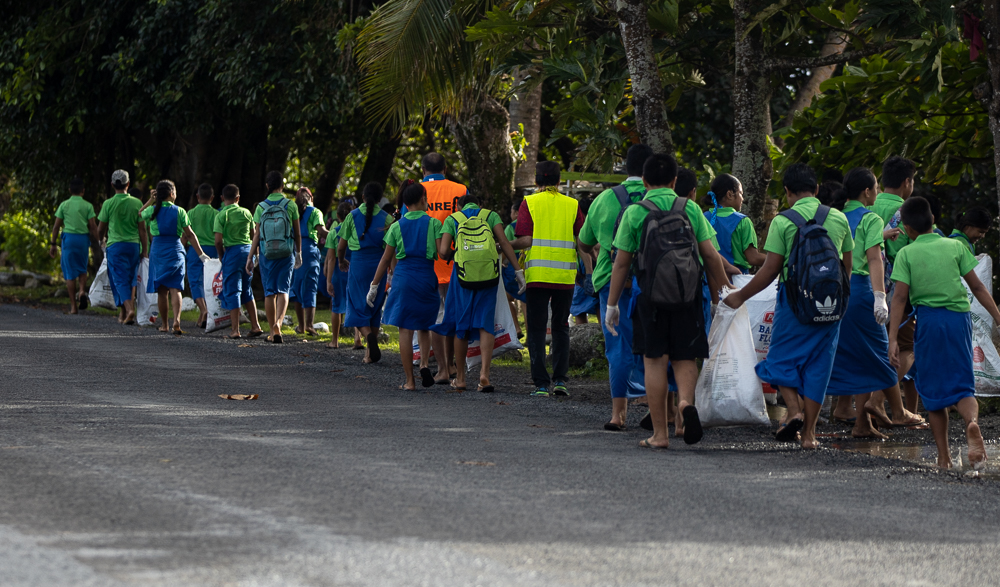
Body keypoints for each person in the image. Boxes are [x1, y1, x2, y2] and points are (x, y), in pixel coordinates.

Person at [722, 163, 853, 450]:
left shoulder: (782, 221)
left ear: (787, 192)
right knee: (820, 366)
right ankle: (809, 436)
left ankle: (793, 410)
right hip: (830, 307)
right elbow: (846, 268)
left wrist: (740, 296)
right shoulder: (839, 219)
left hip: (794, 304)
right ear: (817, 190)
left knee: (781, 359)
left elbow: (769, 271)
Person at [606, 153, 729, 449]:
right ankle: (685, 405)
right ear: (675, 181)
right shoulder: (689, 208)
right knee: (685, 357)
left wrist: (612, 305)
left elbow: (621, 263)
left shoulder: (635, 211)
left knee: (654, 361)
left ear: (645, 181)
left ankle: (659, 435)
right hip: (688, 295)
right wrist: (725, 293)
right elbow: (710, 255)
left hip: (650, 297)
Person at [889, 196, 999, 469]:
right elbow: (977, 287)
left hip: (929, 322)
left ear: (908, 229)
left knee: (934, 390)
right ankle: (972, 423)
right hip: (959, 321)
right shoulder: (954, 246)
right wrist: (998, 316)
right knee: (962, 383)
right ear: (933, 222)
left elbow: (900, 299)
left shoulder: (906, 253)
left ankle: (944, 457)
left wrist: (892, 338)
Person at [825, 168, 923, 438]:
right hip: (861, 289)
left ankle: (860, 422)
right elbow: (874, 259)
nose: (878, 192)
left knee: (853, 354)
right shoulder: (869, 218)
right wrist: (880, 297)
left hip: (834, 292)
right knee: (885, 354)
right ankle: (888, 408)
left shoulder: (834, 215)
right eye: (876, 188)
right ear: (867, 191)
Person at [578, 144, 651, 429]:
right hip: (655, 282)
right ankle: (660, 409)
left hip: (612, 282)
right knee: (654, 344)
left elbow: (584, 241)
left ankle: (617, 414)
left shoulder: (604, 199)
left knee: (618, 347)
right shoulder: (662, 199)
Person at [434, 194, 525, 392]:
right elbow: (505, 242)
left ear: (458, 205)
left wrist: (454, 252)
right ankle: (485, 374)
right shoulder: (490, 215)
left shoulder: (453, 219)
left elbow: (442, 252)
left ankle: (460, 378)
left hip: (462, 277)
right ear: (480, 204)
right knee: (486, 324)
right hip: (488, 276)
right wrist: (518, 271)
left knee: (462, 326)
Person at [510, 161, 585, 397]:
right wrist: (590, 270)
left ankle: (541, 384)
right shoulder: (572, 204)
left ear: (536, 181)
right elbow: (581, 240)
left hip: (538, 276)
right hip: (565, 275)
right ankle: (561, 380)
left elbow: (526, 240)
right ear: (559, 181)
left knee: (536, 329)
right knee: (562, 326)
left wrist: (504, 245)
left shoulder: (529, 203)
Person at [370, 181, 443, 390]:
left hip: (404, 277)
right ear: (422, 199)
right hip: (427, 276)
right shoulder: (434, 223)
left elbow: (385, 260)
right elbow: (441, 253)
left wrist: (374, 285)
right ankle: (425, 364)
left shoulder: (396, 226)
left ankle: (410, 381)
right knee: (425, 325)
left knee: (405, 329)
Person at [870, 156, 920, 418]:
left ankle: (851, 409)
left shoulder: (867, 202)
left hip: (864, 287)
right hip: (894, 293)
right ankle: (878, 400)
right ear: (907, 182)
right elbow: (909, 255)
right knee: (906, 348)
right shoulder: (908, 211)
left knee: (870, 347)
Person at [420, 153, 467, 383]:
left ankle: (442, 369)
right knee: (454, 316)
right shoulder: (460, 189)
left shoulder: (416, 191)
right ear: (446, 169)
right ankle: (454, 365)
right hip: (457, 262)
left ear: (423, 169)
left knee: (436, 319)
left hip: (427, 263)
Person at [141, 180, 211, 335]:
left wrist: (151, 200)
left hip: (158, 251)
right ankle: (177, 322)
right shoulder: (180, 211)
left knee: (162, 291)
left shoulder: (153, 210)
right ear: (172, 194)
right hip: (175, 250)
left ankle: (165, 324)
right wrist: (201, 254)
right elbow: (190, 235)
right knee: (176, 288)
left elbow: (139, 214)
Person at [338, 182, 392, 362]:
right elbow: (391, 249)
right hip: (379, 266)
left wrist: (341, 260)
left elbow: (341, 247)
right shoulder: (387, 218)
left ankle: (368, 336)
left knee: (355, 305)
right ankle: (369, 353)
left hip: (358, 265)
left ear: (363, 197)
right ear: (379, 199)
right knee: (375, 307)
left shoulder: (352, 216)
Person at [248, 171, 303, 344]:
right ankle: (279, 323)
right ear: (282, 186)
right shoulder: (290, 205)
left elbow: (256, 235)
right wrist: (299, 253)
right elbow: (298, 233)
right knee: (283, 290)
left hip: (267, 253)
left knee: (269, 292)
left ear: (267, 186)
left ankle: (272, 331)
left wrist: (251, 256)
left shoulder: (261, 207)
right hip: (286, 252)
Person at [214, 184, 263, 339]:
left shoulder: (221, 215)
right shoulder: (247, 212)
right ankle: (255, 326)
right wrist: (255, 255)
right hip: (247, 251)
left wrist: (222, 256)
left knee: (233, 290)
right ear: (238, 198)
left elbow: (217, 241)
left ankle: (235, 330)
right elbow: (254, 234)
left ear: (222, 198)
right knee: (247, 289)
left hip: (232, 253)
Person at [97, 170, 147, 324]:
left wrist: (101, 240)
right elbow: (142, 230)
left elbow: (101, 228)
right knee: (131, 278)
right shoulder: (137, 203)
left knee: (119, 279)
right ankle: (124, 313)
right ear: (128, 184)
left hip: (115, 246)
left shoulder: (108, 203)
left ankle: (130, 309)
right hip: (133, 246)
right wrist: (144, 250)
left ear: (112, 185)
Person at [49, 177, 98, 314]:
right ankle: (82, 291)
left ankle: (73, 307)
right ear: (83, 191)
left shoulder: (64, 205)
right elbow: (93, 226)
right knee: (82, 268)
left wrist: (53, 244)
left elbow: (56, 227)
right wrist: (100, 241)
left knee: (70, 274)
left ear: (70, 190)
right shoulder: (88, 206)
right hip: (83, 239)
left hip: (69, 239)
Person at [703, 174, 766, 273]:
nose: (742, 199)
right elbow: (753, 258)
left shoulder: (704, 217)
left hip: (708, 281)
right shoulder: (743, 221)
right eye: (741, 193)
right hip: (735, 281)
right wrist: (778, 260)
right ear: (730, 194)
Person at [290, 187, 328, 337]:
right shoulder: (315, 212)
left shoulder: (293, 212)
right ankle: (310, 326)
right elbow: (322, 231)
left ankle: (301, 326)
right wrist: (338, 234)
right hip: (310, 251)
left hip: (295, 251)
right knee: (310, 287)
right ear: (311, 198)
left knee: (297, 287)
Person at [325, 200, 362, 350]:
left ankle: (335, 340)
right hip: (354, 271)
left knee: (337, 306)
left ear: (338, 216)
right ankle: (357, 338)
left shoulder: (333, 233)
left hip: (338, 274)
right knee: (356, 304)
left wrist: (328, 280)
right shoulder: (356, 231)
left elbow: (332, 258)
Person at [185, 183, 219, 328]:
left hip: (194, 250)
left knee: (195, 281)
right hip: (212, 250)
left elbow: (185, 235)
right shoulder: (217, 214)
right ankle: (205, 313)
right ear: (212, 198)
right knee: (210, 283)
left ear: (197, 197)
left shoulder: (190, 213)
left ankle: (203, 309)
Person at [501, 197, 526, 339]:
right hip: (529, 265)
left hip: (514, 265)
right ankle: (530, 334)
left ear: (516, 212)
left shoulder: (511, 227)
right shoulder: (533, 225)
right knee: (526, 302)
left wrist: (503, 262)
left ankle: (516, 327)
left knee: (507, 297)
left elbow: (506, 247)